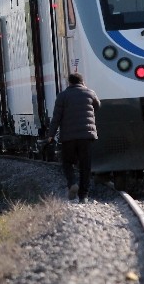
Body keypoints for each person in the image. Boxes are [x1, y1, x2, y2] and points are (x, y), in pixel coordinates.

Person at [47, 73, 100, 203]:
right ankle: (84, 196)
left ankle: (72, 183)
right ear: (82, 82)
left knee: (67, 163)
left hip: (68, 137)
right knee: (85, 166)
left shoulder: (62, 96)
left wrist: (50, 135)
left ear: (69, 82)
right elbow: (97, 106)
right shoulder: (90, 93)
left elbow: (56, 118)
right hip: (86, 136)